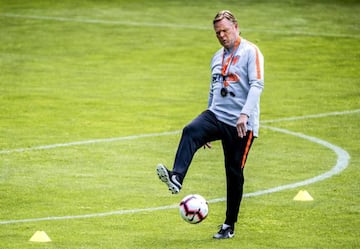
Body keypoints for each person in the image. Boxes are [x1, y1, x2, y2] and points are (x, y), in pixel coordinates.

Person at [156, 10, 264, 239]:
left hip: (241, 125)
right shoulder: (217, 57)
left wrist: (244, 115)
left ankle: (229, 225)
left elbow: (257, 85)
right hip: (217, 115)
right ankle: (176, 176)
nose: (222, 36)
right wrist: (206, 125)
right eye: (217, 33)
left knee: (233, 172)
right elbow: (213, 88)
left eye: (225, 30)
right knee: (192, 130)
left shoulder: (250, 52)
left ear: (236, 27)